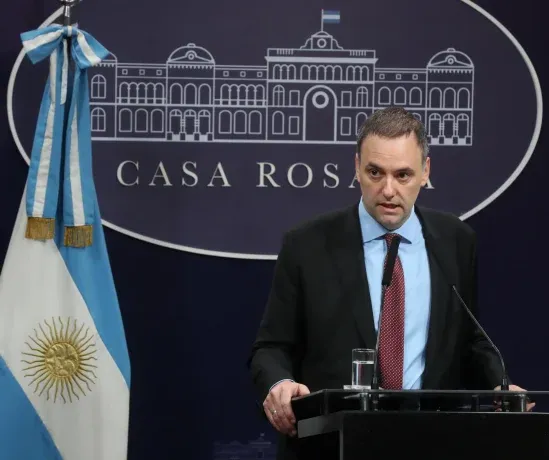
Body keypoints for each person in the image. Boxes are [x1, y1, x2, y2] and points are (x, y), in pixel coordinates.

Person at [248, 106, 532, 459]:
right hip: (330, 446)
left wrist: (498, 387)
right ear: (356, 167)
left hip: (429, 443)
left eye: (403, 175)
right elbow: (271, 347)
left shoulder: (455, 241)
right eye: (374, 172)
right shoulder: (307, 245)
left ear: (425, 171)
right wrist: (280, 384)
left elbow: (469, 340)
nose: (388, 190)